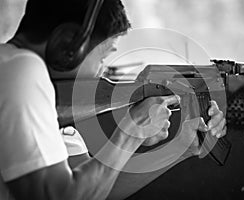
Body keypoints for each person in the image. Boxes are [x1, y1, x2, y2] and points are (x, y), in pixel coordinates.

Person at [0, 0, 227, 199]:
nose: (101, 71)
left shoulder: (20, 77)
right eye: (103, 54)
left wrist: (181, 147)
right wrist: (132, 131)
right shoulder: (21, 68)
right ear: (68, 44)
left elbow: (95, 190)